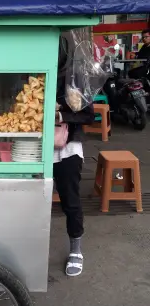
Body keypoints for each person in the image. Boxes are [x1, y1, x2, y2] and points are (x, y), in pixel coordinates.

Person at [54, 42, 95, 277]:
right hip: (32, 147)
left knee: (70, 199)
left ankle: (76, 250)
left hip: (66, 147)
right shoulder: (31, 74)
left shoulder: (74, 79)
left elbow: (89, 116)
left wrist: (60, 114)